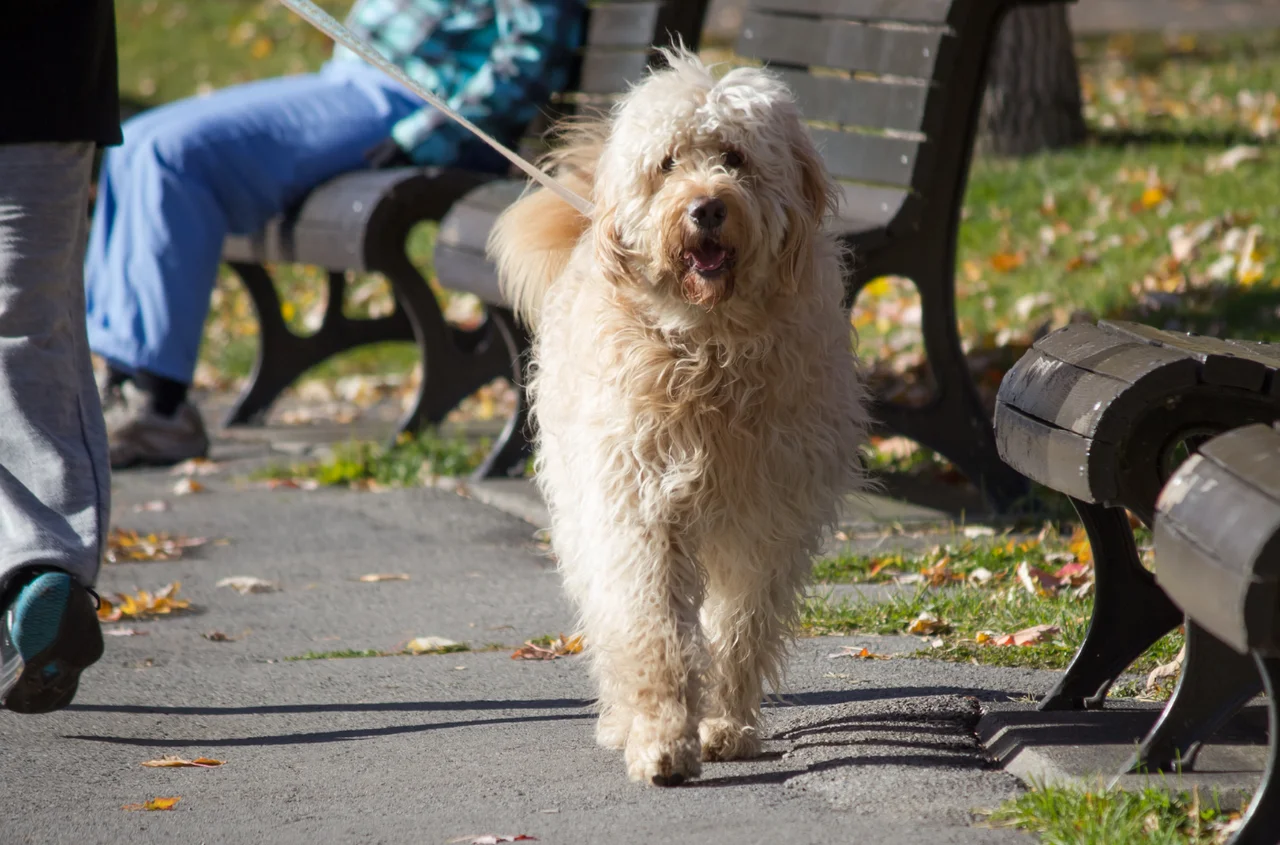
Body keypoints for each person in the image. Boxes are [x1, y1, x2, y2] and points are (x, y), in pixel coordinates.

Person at [87, 0, 584, 469]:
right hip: (351, 79)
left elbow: (531, 52)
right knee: (134, 142)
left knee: (170, 157)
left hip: (406, 96)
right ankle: (120, 379)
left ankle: (159, 405)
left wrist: (426, 135)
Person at [0, 2, 119, 713]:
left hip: (39, 81)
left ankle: (31, 574)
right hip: (42, 80)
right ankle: (38, 568)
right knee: (23, 333)